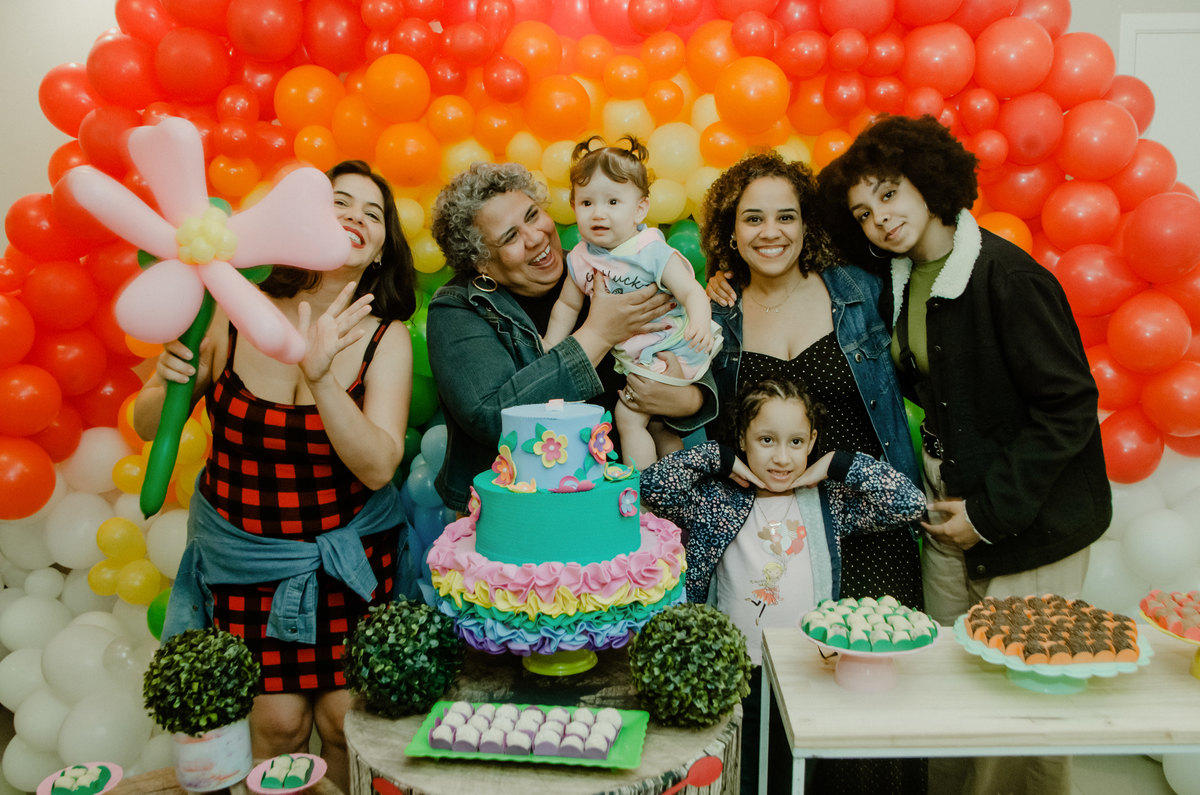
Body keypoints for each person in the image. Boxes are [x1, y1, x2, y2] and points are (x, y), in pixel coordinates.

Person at [818, 114, 1111, 795]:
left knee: (1021, 703)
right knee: (948, 685)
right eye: (863, 211)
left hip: (1027, 516)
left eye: (889, 193)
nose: (879, 218)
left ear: (928, 182)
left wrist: (988, 512)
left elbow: (1068, 406)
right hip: (946, 506)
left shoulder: (1009, 277)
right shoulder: (894, 276)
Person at [139, 160, 415, 794]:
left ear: (380, 251)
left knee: (346, 722)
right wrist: (170, 378)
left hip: (348, 562)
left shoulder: (386, 339)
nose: (356, 216)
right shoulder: (230, 311)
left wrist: (322, 380)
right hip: (247, 562)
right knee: (278, 721)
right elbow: (152, 424)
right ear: (304, 223)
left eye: (373, 214)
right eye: (340, 202)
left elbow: (378, 465)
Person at [702, 152, 928, 795]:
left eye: (786, 216)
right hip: (769, 541)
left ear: (808, 224)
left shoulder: (861, 288)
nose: (770, 231)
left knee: (870, 702)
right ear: (731, 231)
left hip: (866, 524)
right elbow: (706, 423)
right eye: (753, 218)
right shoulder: (713, 313)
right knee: (776, 697)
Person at [640, 376, 925, 795]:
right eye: (766, 440)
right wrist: (717, 457)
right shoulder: (715, 499)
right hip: (735, 669)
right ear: (743, 437)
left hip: (806, 668)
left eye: (796, 442)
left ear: (812, 442)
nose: (781, 457)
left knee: (792, 777)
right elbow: (650, 488)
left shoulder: (827, 501)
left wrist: (839, 463)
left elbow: (908, 503)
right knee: (739, 772)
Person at [427, 161, 719, 514]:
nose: (535, 237)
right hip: (529, 513)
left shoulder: (604, 264)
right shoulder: (459, 308)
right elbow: (491, 418)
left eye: (533, 216)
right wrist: (598, 333)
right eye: (510, 237)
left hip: (628, 500)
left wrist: (683, 398)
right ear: (481, 262)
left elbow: (686, 347)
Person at [544, 136, 720, 468]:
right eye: (587, 203)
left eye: (613, 202)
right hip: (636, 355)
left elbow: (690, 290)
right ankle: (675, 485)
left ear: (640, 209)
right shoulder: (580, 258)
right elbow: (567, 306)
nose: (599, 213)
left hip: (670, 345)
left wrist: (699, 321)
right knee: (658, 425)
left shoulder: (649, 250)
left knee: (628, 417)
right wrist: (552, 343)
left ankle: (644, 487)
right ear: (573, 206)